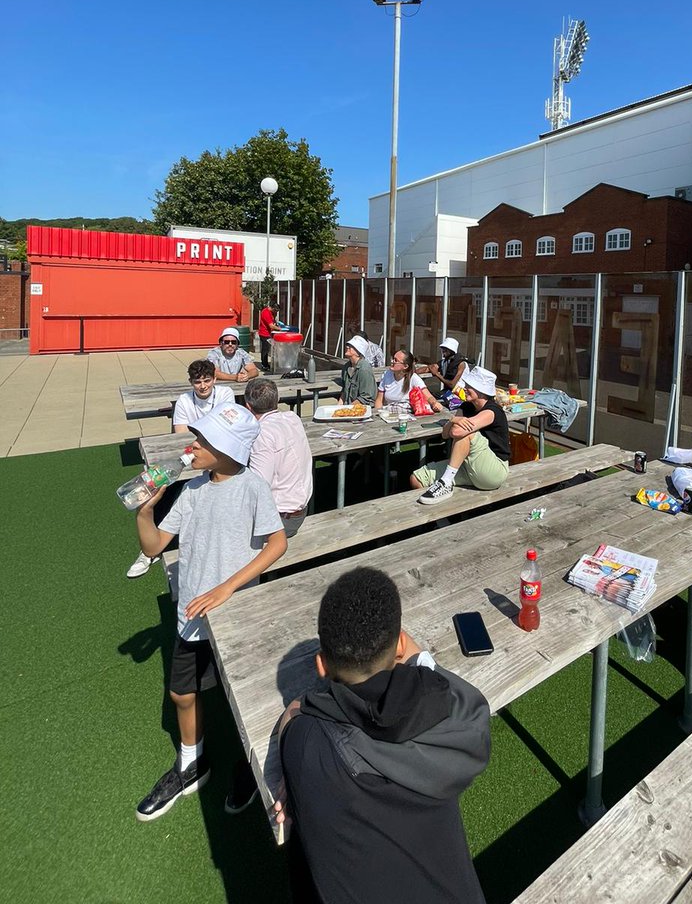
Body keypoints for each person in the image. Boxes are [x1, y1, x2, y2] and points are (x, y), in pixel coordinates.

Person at [274, 567, 491, 904]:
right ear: (400, 645)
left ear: (321, 666)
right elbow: (457, 693)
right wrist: (420, 658)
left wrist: (296, 729)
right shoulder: (458, 723)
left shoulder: (308, 743)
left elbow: (293, 717)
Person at [133, 403, 287, 821]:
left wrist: (228, 586)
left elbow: (277, 544)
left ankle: (254, 767)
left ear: (227, 450)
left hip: (237, 615)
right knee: (182, 692)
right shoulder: (192, 489)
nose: (192, 446)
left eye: (202, 441)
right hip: (193, 612)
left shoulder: (252, 486)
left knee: (247, 699)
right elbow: (153, 547)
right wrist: (145, 511)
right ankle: (191, 763)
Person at [125, 360, 236, 579]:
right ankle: (151, 550)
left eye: (207, 380)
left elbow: (226, 430)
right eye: (198, 382)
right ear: (191, 382)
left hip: (220, 455)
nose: (203, 386)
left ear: (214, 379)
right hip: (193, 454)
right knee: (165, 486)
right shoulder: (185, 400)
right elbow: (181, 436)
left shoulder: (225, 394)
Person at [411, 365, 509, 504]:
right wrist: (453, 419)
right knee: (417, 478)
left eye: (468, 385)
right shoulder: (466, 407)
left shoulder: (492, 411)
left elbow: (457, 432)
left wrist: (455, 423)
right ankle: (440, 521)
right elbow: (445, 434)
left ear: (481, 391)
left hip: (494, 471)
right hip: (468, 466)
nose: (463, 387)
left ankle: (446, 481)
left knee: (467, 435)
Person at [244, 377, 313, 537]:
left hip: (279, 519)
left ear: (248, 406)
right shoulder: (292, 418)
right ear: (278, 400)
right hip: (300, 509)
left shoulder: (262, 433)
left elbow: (258, 486)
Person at [375, 349, 443, 413]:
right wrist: (378, 412)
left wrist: (435, 403)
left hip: (406, 415)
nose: (392, 361)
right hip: (388, 413)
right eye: (392, 358)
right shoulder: (386, 374)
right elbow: (379, 399)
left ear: (405, 366)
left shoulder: (413, 378)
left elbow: (428, 396)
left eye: (395, 360)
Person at [339, 335, 376, 406]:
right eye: (348, 345)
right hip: (349, 408)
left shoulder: (364, 369)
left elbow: (365, 397)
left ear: (358, 351)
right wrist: (337, 408)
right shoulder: (346, 367)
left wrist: (347, 409)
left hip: (362, 409)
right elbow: (344, 392)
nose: (347, 347)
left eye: (351, 346)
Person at [257, 299, 282, 374]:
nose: (276, 313)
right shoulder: (266, 313)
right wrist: (281, 329)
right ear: (273, 308)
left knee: (267, 349)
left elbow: (273, 322)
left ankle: (266, 364)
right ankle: (264, 365)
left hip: (269, 333)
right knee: (265, 350)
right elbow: (271, 326)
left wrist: (277, 324)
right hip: (264, 334)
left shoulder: (272, 313)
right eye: (276, 311)